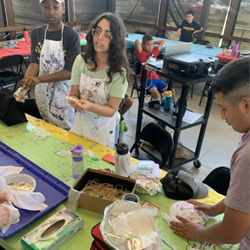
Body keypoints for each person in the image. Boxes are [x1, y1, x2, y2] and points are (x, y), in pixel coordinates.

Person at [169, 57, 250, 249]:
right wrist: (215, 209)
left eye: (224, 108)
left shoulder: (247, 158)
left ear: (246, 104)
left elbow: (231, 233)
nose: (222, 116)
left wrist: (198, 232)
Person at [68, 12, 129, 148]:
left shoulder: (118, 73)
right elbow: (74, 93)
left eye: (107, 35)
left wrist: (89, 106)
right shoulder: (81, 61)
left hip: (104, 129)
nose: (100, 37)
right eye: (98, 31)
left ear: (116, 41)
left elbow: (111, 109)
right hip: (80, 124)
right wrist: (74, 101)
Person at [20, 0, 81, 130]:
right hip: (42, 92)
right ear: (42, 9)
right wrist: (27, 81)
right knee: (45, 127)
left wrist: (38, 79)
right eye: (47, 7)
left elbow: (69, 72)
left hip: (63, 94)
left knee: (64, 132)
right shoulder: (37, 33)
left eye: (55, 7)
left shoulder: (71, 36)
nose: (51, 12)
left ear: (63, 8)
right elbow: (35, 62)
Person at [135, 35, 168, 108]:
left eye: (152, 45)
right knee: (156, 94)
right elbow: (137, 40)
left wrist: (151, 42)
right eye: (148, 45)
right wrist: (145, 44)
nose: (150, 47)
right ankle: (157, 111)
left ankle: (173, 108)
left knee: (171, 91)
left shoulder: (154, 52)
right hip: (147, 80)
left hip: (156, 79)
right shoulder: (142, 53)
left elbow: (162, 41)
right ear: (143, 45)